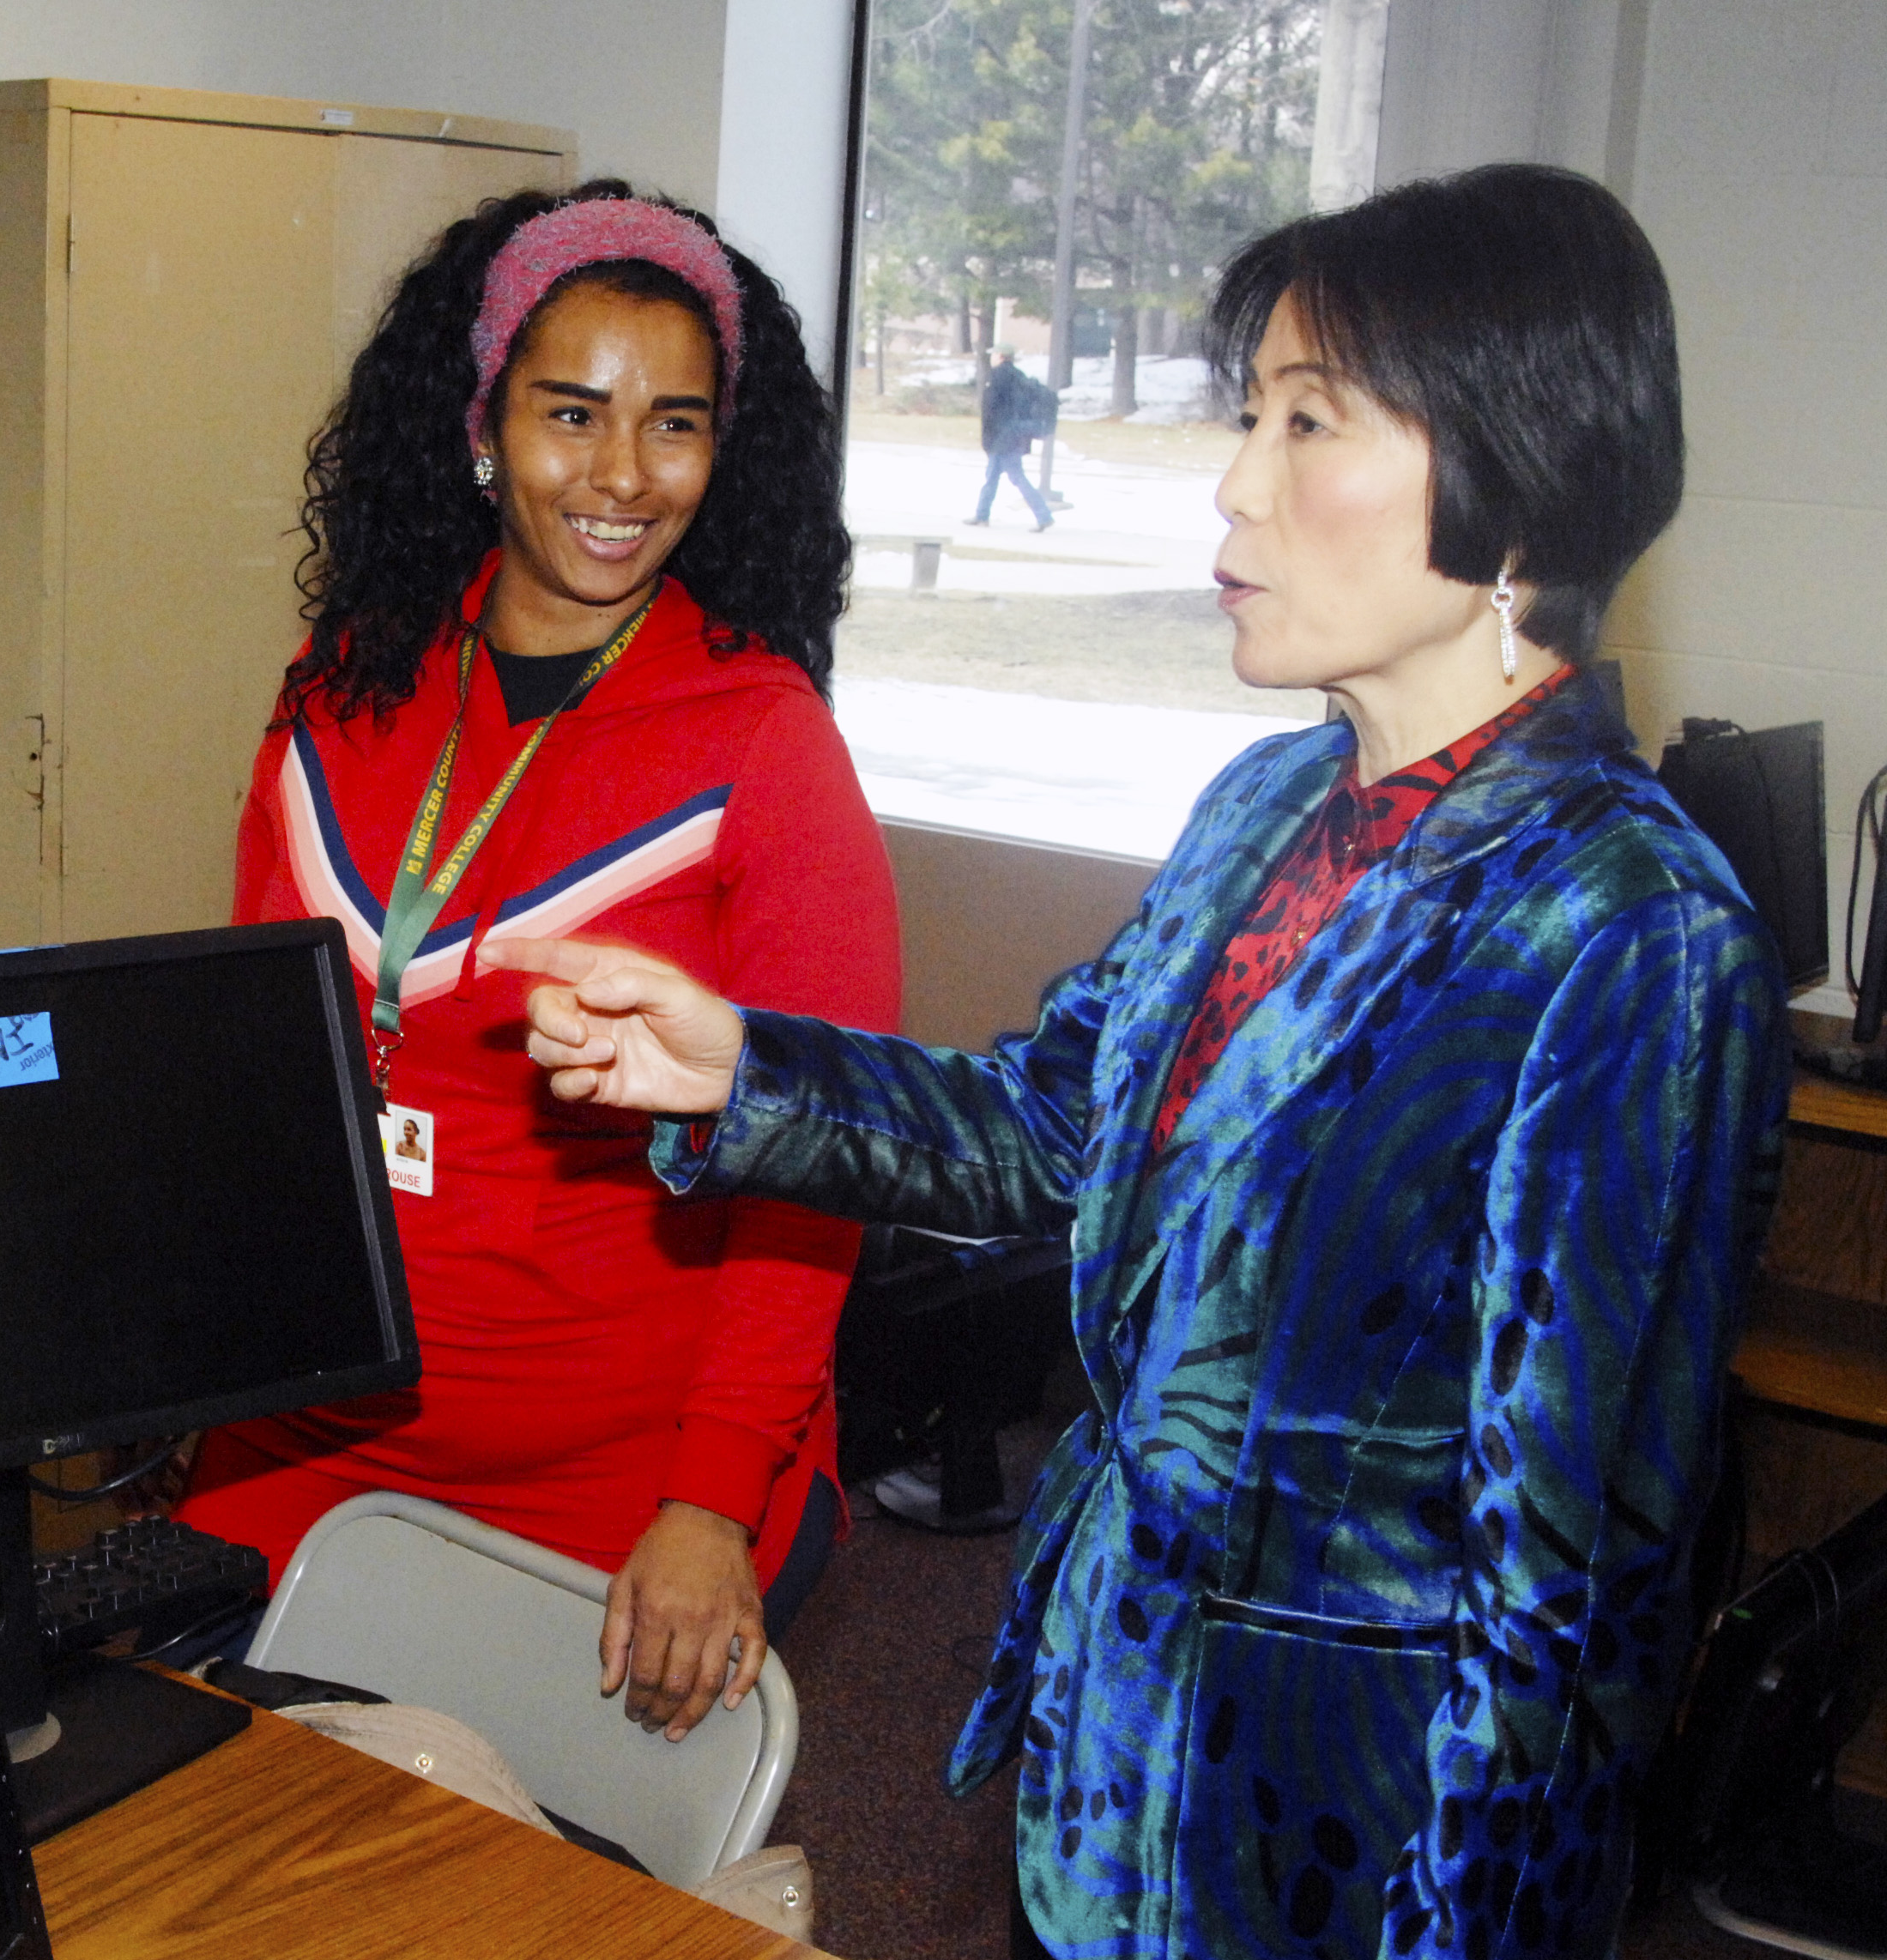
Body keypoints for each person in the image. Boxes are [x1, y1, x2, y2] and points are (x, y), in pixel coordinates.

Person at [487, 164, 1788, 1957]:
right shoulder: (1267, 804)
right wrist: (742, 1073)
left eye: (1305, 422)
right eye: (1245, 418)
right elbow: (1053, 1128)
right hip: (1109, 1765)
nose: (1234, 485)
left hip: (1350, 1844)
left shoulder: (1631, 927)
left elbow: (1568, 1599)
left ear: (1519, 474)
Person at [178, 182, 900, 1742]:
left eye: (675, 425)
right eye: (573, 412)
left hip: (626, 1465)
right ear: (483, 427)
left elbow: (819, 1166)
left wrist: (712, 1497)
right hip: (315, 1426)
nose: (623, 474)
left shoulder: (764, 743)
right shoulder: (342, 688)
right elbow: (258, 1062)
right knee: (172, 1787)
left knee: (499, 1849)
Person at [971, 347, 1054, 531]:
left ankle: (1043, 516)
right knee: (992, 477)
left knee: (1015, 477)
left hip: (1002, 438)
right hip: (1016, 435)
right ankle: (982, 515)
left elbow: (991, 411)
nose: (991, 358)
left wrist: (988, 439)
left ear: (1001, 356)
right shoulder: (1018, 376)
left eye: (994, 354)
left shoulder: (997, 377)